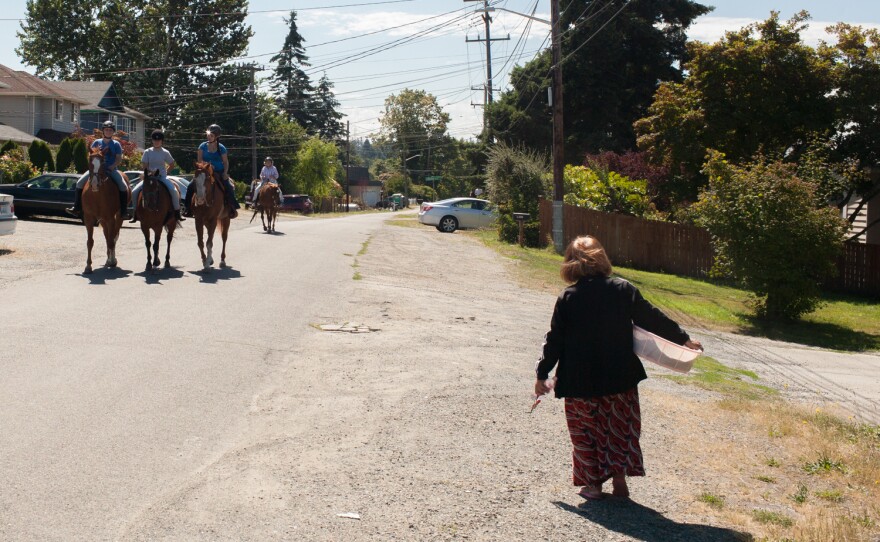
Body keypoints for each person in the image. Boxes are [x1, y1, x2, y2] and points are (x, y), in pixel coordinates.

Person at [534, 235, 702, 501]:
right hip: (620, 377)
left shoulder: (568, 297)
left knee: (586, 433)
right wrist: (683, 339)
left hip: (580, 381)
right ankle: (619, 478)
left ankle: (593, 485)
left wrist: (542, 374)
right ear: (602, 259)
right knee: (619, 429)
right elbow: (651, 317)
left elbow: (555, 339)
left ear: (570, 263)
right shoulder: (624, 289)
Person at [67, 121, 131, 219]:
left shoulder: (116, 144)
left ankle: (123, 211)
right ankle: (76, 207)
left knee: (123, 186)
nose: (108, 132)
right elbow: (91, 156)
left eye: (110, 130)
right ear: (103, 131)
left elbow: (118, 159)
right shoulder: (96, 142)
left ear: (113, 132)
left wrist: (112, 166)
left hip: (111, 169)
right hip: (96, 169)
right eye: (106, 130)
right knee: (79, 182)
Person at [184, 124, 239, 219]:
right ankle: (187, 208)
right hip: (205, 171)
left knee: (228, 187)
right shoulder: (202, 146)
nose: (209, 137)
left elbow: (225, 162)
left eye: (211, 135)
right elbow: (199, 161)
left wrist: (225, 172)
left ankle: (232, 208)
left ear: (217, 137)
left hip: (219, 172)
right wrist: (207, 166)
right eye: (208, 135)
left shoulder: (221, 148)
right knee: (190, 186)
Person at [130, 130, 184, 223]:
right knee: (134, 191)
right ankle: (135, 213)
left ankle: (177, 212)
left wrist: (165, 172)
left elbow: (171, 164)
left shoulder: (165, 152)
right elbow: (145, 166)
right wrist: (150, 172)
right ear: (152, 141)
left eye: (158, 140)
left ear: (162, 141)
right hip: (149, 177)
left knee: (173, 190)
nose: (156, 142)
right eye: (155, 140)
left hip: (161, 177)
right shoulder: (147, 151)